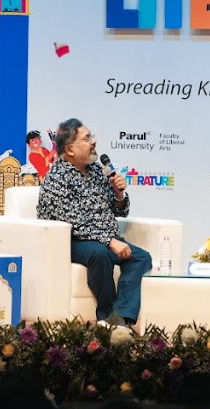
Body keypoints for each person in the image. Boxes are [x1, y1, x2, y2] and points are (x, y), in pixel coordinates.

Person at [36, 118, 150, 329]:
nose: (94, 142)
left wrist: (119, 194)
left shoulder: (98, 170)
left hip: (105, 238)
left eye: (92, 136)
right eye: (87, 138)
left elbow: (120, 211)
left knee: (141, 258)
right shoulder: (56, 177)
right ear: (70, 149)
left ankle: (121, 317)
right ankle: (106, 315)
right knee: (99, 254)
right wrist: (109, 241)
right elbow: (71, 221)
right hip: (71, 241)